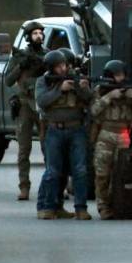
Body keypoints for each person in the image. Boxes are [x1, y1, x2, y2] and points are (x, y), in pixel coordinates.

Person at [34, 50, 93, 220]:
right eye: (59, 66)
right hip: (54, 130)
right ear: (52, 68)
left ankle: (81, 208)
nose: (63, 68)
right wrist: (61, 89)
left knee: (80, 170)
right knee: (53, 171)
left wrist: (82, 88)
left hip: (76, 130)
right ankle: (48, 206)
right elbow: (42, 101)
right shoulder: (43, 82)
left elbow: (89, 99)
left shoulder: (76, 78)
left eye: (64, 65)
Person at [91, 60, 132, 219]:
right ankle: (103, 206)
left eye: (121, 75)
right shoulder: (100, 91)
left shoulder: (130, 91)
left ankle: (119, 204)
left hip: (123, 136)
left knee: (122, 173)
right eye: (116, 75)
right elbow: (93, 111)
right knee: (102, 174)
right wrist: (109, 96)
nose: (120, 78)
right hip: (105, 135)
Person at [5, 21, 46, 200]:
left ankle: (54, 186)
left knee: (50, 147)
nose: (38, 36)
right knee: (24, 149)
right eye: (35, 33)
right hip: (24, 105)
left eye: (40, 33)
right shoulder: (21, 56)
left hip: (43, 105)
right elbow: (8, 80)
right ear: (29, 37)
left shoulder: (47, 55)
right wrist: (20, 66)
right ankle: (24, 186)